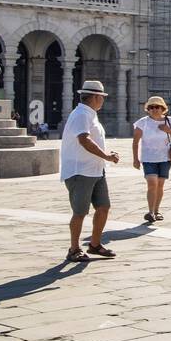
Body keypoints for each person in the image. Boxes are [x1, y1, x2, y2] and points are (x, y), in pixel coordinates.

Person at [60, 80, 120, 262]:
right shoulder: (81, 114)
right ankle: (74, 248)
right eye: (101, 97)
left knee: (103, 207)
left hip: (96, 169)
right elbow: (84, 140)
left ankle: (94, 244)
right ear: (95, 97)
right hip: (80, 171)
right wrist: (106, 156)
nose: (103, 101)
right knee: (80, 211)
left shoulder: (90, 114)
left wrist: (105, 155)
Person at [132, 96, 171, 223]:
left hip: (165, 158)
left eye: (157, 107)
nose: (154, 109)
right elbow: (135, 142)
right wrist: (135, 159)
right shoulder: (142, 122)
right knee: (152, 184)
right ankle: (150, 212)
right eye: (151, 107)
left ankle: (157, 210)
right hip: (148, 158)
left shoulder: (169, 121)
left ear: (163, 108)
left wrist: (168, 130)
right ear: (148, 109)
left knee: (160, 185)